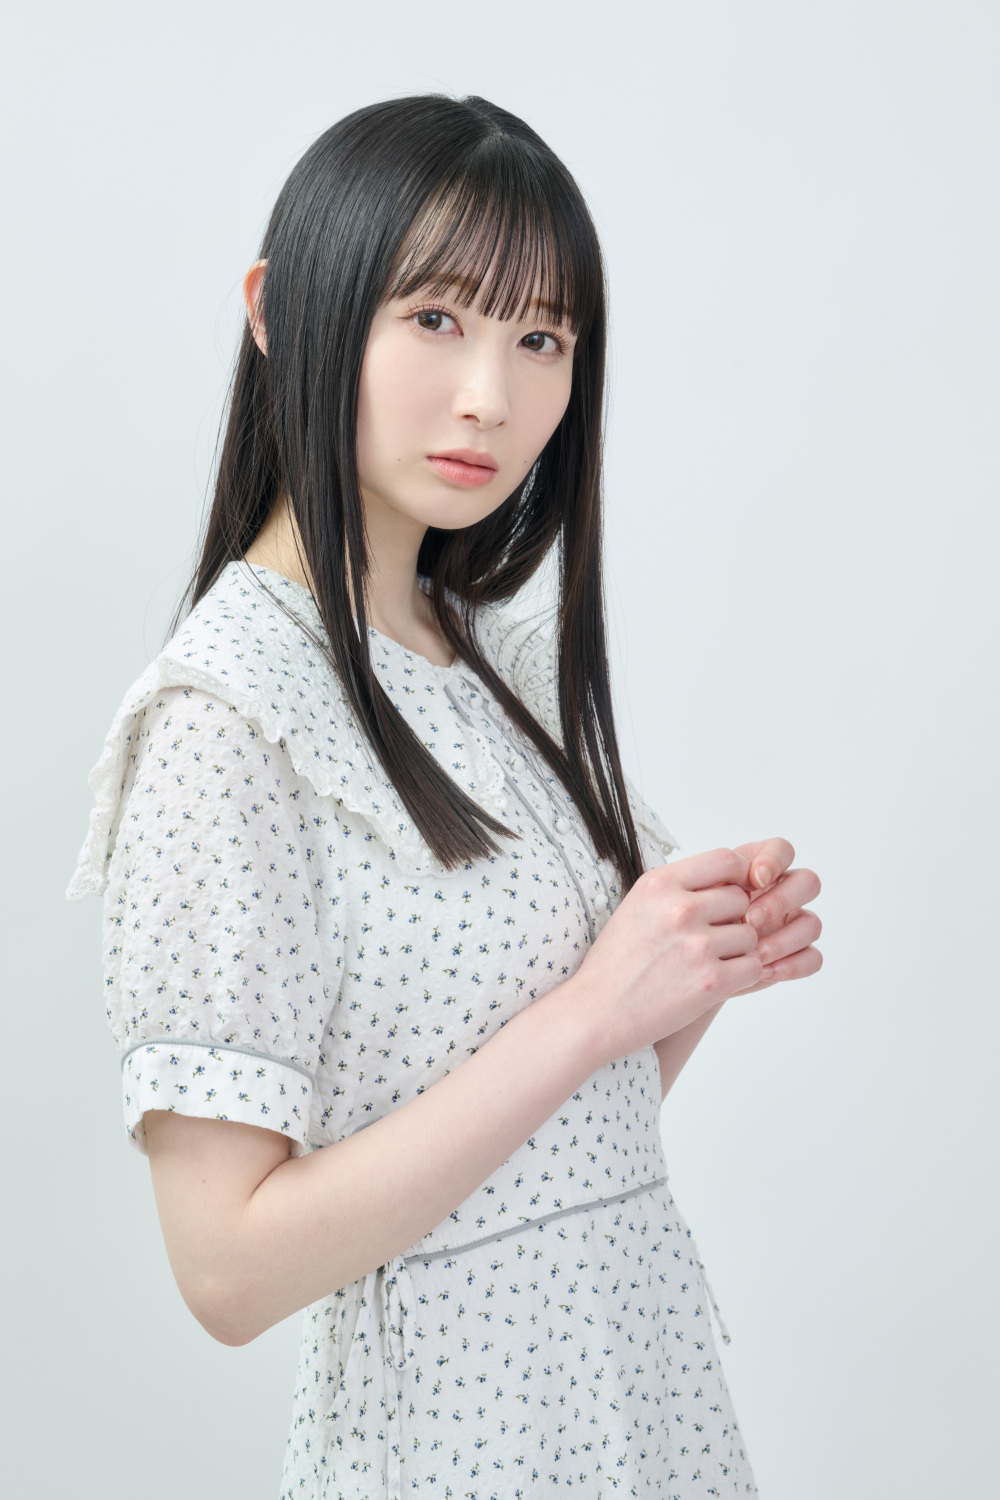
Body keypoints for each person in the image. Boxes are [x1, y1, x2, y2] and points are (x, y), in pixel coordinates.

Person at [67, 93, 822, 1499]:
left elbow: (550, 1134)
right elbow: (228, 1270)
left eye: (542, 339)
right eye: (435, 318)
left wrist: (691, 969)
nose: (492, 395)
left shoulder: (492, 658)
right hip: (449, 1448)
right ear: (280, 312)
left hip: (640, 1402)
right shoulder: (225, 719)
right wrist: (596, 1009)